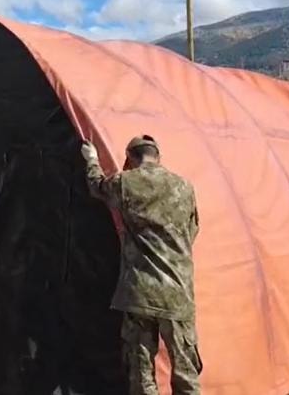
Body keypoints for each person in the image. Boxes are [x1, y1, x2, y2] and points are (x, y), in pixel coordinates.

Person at [81, 135, 202, 395]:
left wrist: (91, 159)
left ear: (130, 158)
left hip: (140, 292)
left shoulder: (126, 182)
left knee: (141, 371)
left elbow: (97, 186)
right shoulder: (184, 187)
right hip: (177, 293)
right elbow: (193, 229)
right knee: (185, 371)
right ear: (158, 157)